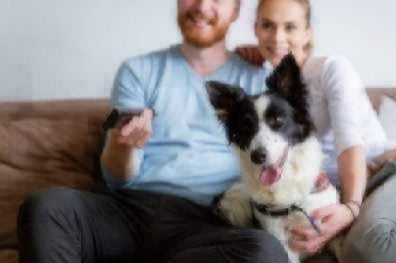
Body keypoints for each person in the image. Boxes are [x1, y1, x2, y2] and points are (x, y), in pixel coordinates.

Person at [16, 0, 290, 262]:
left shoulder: (258, 80)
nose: (202, 6)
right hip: (129, 213)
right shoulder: (136, 71)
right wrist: (123, 147)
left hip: (209, 223)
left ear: (235, 10)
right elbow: (116, 176)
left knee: (265, 252)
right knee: (47, 206)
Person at [235, 0, 396, 262]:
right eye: (267, 25)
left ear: (307, 32)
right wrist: (247, 55)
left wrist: (350, 207)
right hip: (336, 194)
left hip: (390, 172)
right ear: (255, 29)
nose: (278, 37)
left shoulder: (331, 68)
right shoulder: (265, 88)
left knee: (367, 249)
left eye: (290, 27)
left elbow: (350, 143)